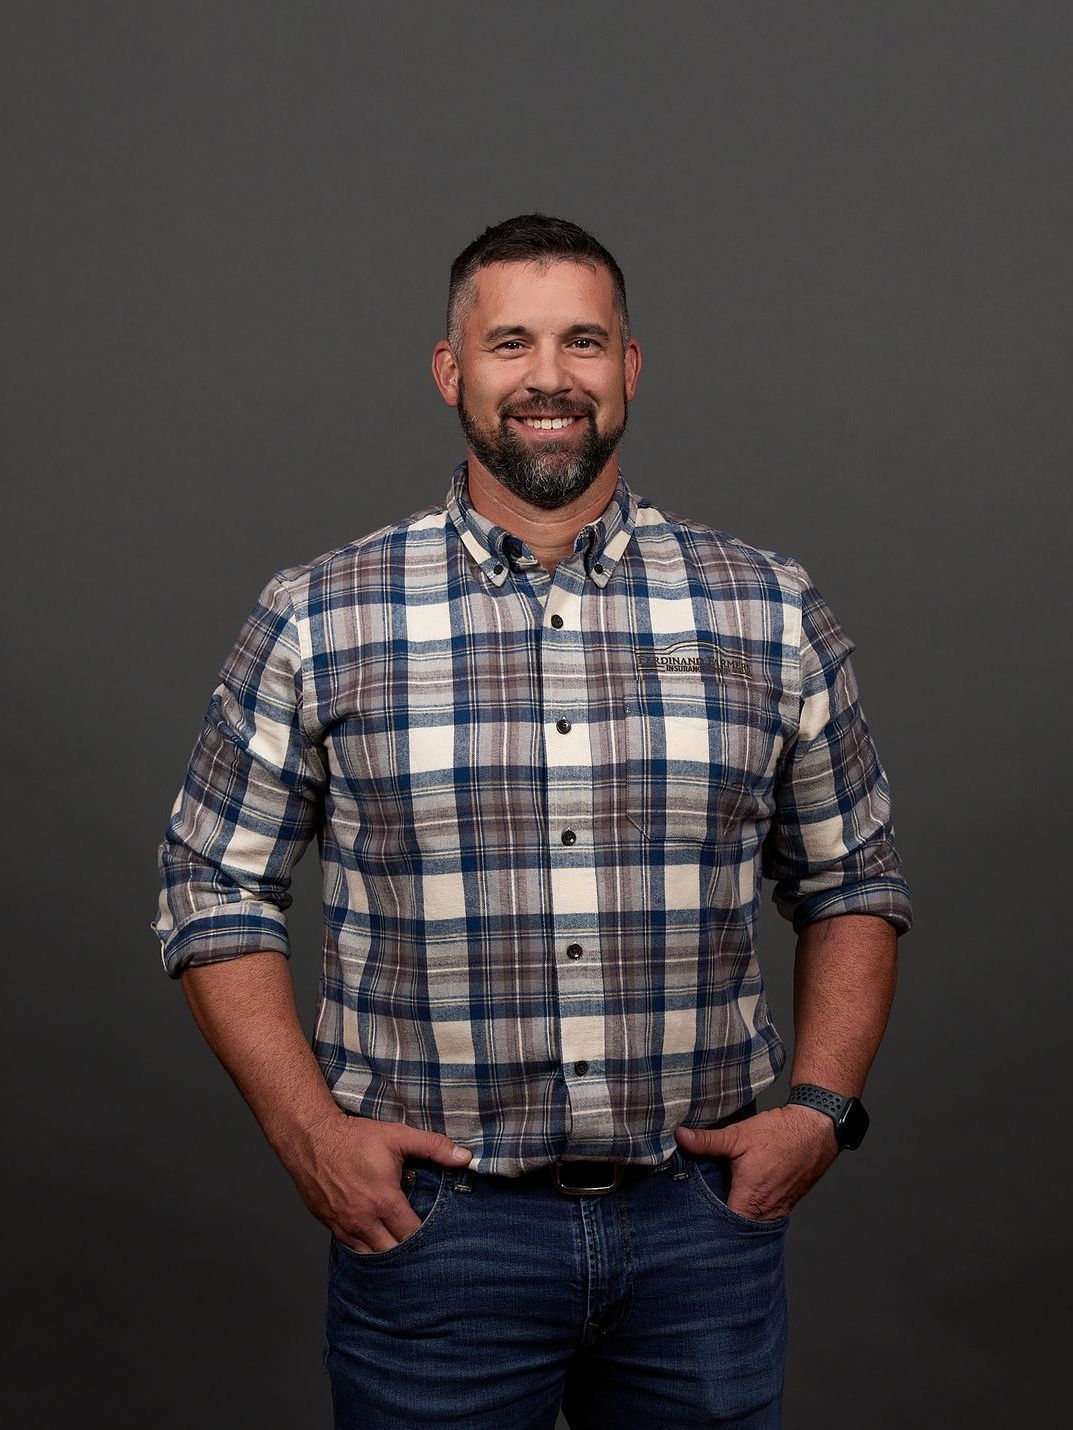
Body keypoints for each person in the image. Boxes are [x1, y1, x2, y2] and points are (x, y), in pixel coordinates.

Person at [150, 212, 912, 1429]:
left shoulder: (768, 607)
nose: (548, 377)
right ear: (452, 372)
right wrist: (307, 1133)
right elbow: (210, 885)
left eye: (582, 341)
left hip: (699, 1231)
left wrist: (816, 1112)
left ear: (628, 368)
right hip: (437, 1235)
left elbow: (852, 880)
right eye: (510, 342)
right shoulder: (319, 615)